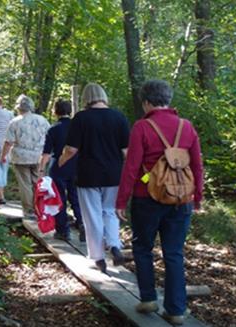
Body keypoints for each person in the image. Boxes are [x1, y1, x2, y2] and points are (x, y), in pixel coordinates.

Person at [115, 80, 203, 325]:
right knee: (174, 253)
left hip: (147, 197)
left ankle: (149, 299)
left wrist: (121, 201)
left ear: (146, 102)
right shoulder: (187, 126)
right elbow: (196, 165)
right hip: (181, 198)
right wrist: (197, 197)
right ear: (169, 99)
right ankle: (176, 310)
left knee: (143, 248)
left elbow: (132, 168)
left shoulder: (142, 127)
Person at [58, 83, 130, 273]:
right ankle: (115, 245)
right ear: (103, 96)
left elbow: (71, 149)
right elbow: (126, 152)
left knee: (92, 216)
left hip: (88, 173)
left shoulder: (81, 118)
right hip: (114, 174)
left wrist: (60, 161)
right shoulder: (119, 117)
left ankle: (98, 258)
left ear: (86, 98)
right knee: (109, 211)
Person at [38, 99, 85, 242]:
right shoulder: (78, 127)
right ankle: (82, 224)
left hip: (58, 166)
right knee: (76, 197)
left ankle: (62, 230)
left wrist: (41, 169)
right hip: (77, 166)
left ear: (55, 111)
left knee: (59, 199)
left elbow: (46, 153)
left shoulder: (53, 129)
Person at [0, 94, 50, 217]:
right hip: (39, 156)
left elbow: (8, 142)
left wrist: (3, 156)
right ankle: (40, 208)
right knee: (37, 182)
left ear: (19, 108)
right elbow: (49, 137)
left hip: (21, 157)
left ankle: (29, 210)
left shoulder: (15, 122)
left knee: (25, 184)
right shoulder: (42, 120)